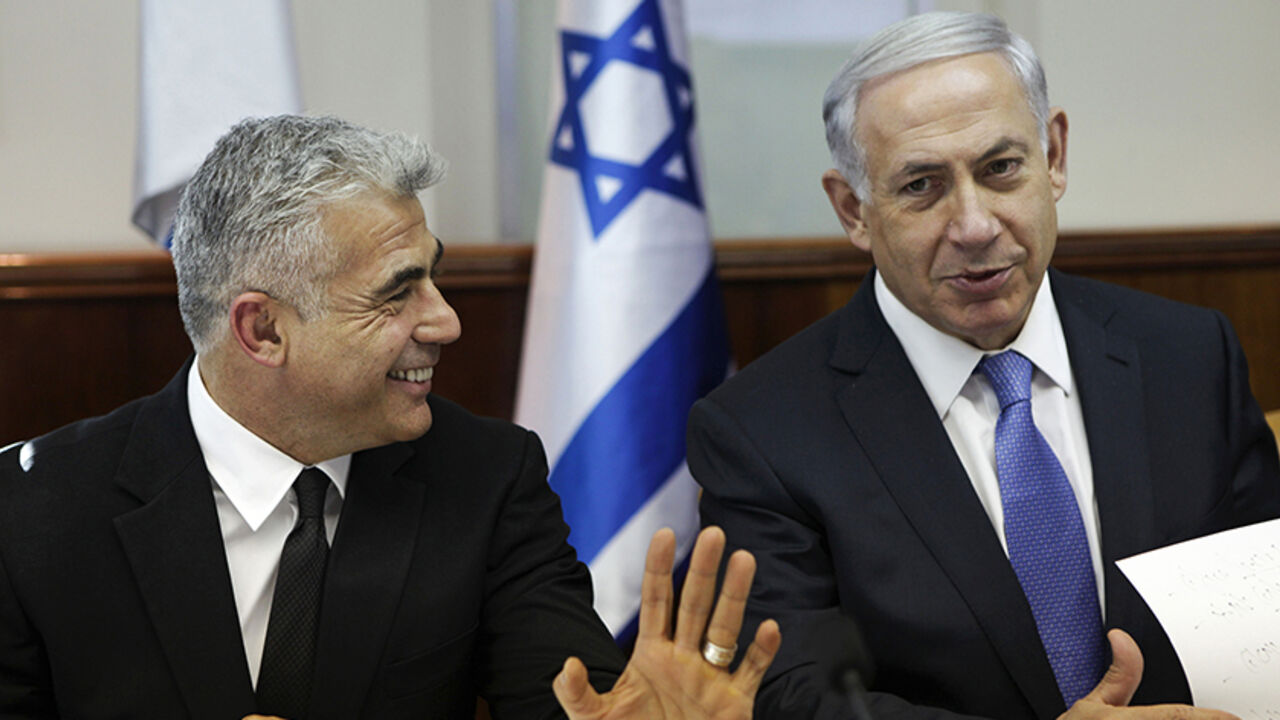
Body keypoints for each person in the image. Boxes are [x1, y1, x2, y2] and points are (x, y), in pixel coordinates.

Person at [0, 115, 779, 719]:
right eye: (395, 293)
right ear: (262, 330)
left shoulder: (486, 477)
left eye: (433, 279)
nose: (445, 323)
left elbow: (567, 700)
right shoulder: (35, 512)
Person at [686, 11, 1280, 720]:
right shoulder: (761, 430)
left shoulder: (1188, 357)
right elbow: (796, 698)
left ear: (1054, 156)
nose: (973, 226)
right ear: (853, 209)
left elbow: (1262, 626)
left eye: (1001, 169)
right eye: (921, 186)